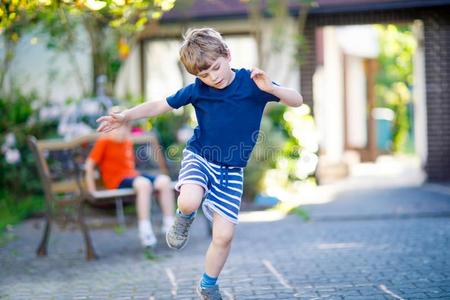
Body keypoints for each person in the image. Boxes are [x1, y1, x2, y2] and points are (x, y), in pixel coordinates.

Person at [96, 28, 303, 299]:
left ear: (227, 54)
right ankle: (184, 219)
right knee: (189, 200)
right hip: (201, 157)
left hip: (231, 171)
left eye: (216, 68)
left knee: (224, 237)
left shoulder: (253, 83)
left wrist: (271, 88)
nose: (212, 77)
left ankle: (208, 284)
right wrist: (125, 116)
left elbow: (297, 101)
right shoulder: (199, 90)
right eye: (204, 74)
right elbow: (161, 104)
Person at [86, 107, 175, 249]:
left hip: (133, 176)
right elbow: (89, 165)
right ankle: (145, 229)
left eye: (126, 126)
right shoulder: (104, 141)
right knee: (144, 184)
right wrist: (91, 190)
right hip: (116, 180)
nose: (123, 131)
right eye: (119, 127)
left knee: (164, 181)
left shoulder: (127, 141)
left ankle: (169, 224)